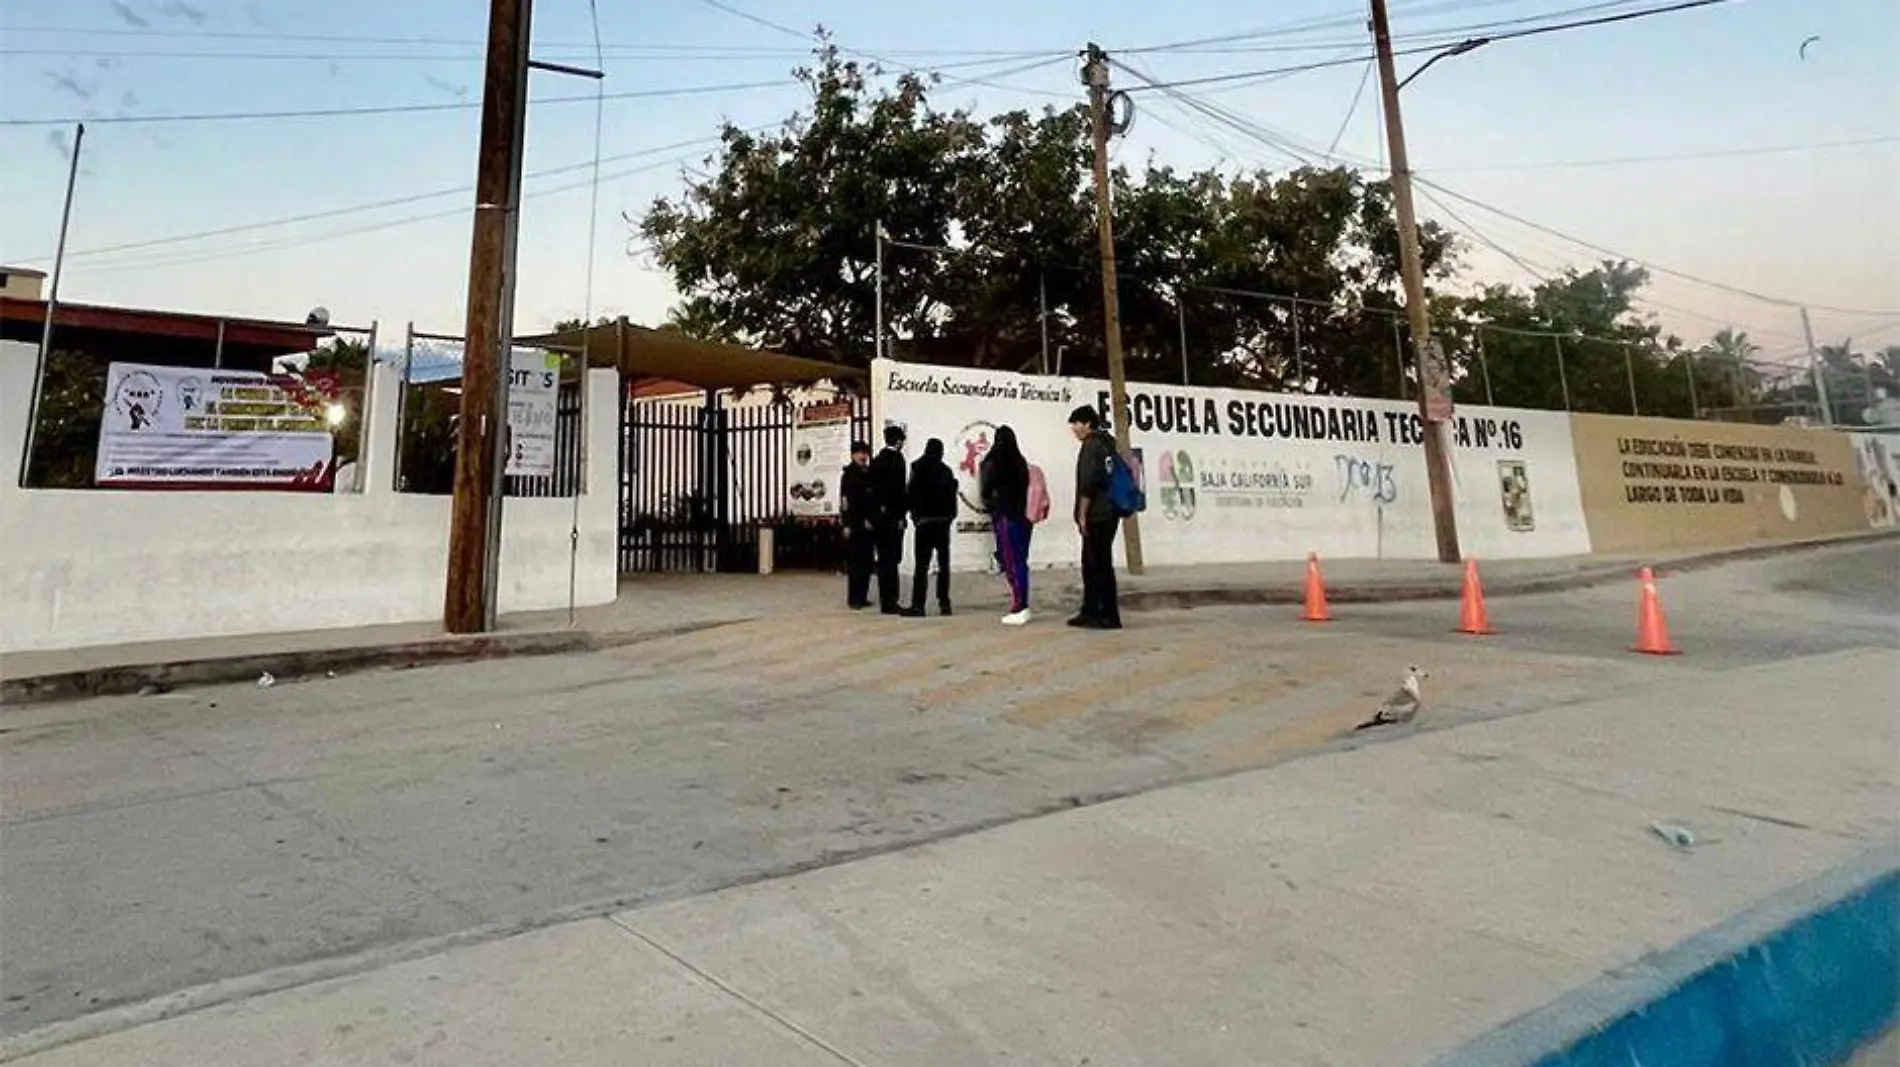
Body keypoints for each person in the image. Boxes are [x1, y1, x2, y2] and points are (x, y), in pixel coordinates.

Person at [1068, 405, 1123, 630]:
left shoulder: (1091, 446)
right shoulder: (1107, 443)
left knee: (1098, 565)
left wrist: (1082, 514)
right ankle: (1090, 609)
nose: (1074, 429)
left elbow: (1088, 483)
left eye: (1076, 424)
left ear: (1087, 424)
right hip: (1109, 511)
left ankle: (1107, 614)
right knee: (1093, 564)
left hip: (1098, 514)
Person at [979, 424, 1034, 626]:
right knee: (1021, 560)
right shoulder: (1020, 462)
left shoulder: (993, 462)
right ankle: (1022, 602)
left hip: (1005, 516)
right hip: (1023, 517)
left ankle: (1020, 606)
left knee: (1011, 561)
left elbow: (985, 490)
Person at [902, 438, 959, 617]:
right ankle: (944, 603)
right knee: (943, 565)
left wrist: (915, 517)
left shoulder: (917, 467)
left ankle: (918, 605)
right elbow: (952, 498)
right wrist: (949, 518)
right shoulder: (946, 471)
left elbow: (910, 494)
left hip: (924, 523)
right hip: (942, 523)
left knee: (921, 565)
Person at [868, 424, 910, 614]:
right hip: (893, 518)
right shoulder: (897, 460)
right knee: (892, 560)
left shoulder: (876, 461)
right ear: (899, 441)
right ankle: (891, 601)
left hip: (878, 518)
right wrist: (901, 516)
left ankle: (885, 600)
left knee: (883, 559)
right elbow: (899, 492)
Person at [838, 441, 876, 610]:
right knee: (855, 563)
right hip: (855, 524)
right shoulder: (849, 475)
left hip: (869, 524)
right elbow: (846, 502)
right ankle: (854, 598)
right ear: (853, 455)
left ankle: (863, 596)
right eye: (859, 453)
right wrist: (847, 523)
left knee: (867, 562)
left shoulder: (868, 473)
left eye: (865, 453)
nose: (863, 456)